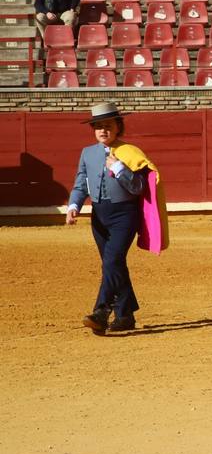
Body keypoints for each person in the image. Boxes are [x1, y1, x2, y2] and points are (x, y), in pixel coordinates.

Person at [66, 102, 161, 335]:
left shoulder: (130, 153)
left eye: (108, 126)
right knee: (114, 264)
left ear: (118, 127)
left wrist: (119, 169)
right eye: (98, 126)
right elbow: (80, 183)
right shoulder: (88, 153)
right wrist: (74, 205)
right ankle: (125, 314)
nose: (103, 130)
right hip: (99, 216)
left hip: (124, 215)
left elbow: (139, 187)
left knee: (111, 261)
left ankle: (101, 311)